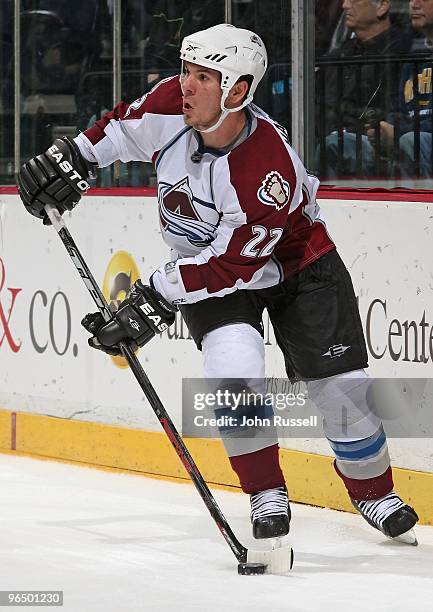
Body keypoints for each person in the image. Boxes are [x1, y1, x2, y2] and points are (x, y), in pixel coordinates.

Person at [17, 23, 418, 544]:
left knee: (341, 392)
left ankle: (372, 493)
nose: (185, 84)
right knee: (233, 370)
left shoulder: (265, 171)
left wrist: (155, 295)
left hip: (299, 267)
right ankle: (264, 490)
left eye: (204, 76)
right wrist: (71, 158)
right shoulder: (170, 106)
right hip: (210, 267)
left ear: (238, 91)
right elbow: (118, 131)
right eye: (187, 70)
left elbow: (234, 265)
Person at [318, 0, 411, 178]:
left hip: (375, 147)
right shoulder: (338, 55)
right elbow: (318, 104)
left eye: (354, 0)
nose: (345, 5)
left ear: (382, 6)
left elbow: (390, 110)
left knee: (333, 144)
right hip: (332, 142)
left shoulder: (402, 51)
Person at [368, 0, 433, 178]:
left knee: (411, 141)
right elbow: (396, 108)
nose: (414, 4)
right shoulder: (411, 53)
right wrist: (384, 130)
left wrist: (398, 133)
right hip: (407, 137)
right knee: (342, 143)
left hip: (416, 140)